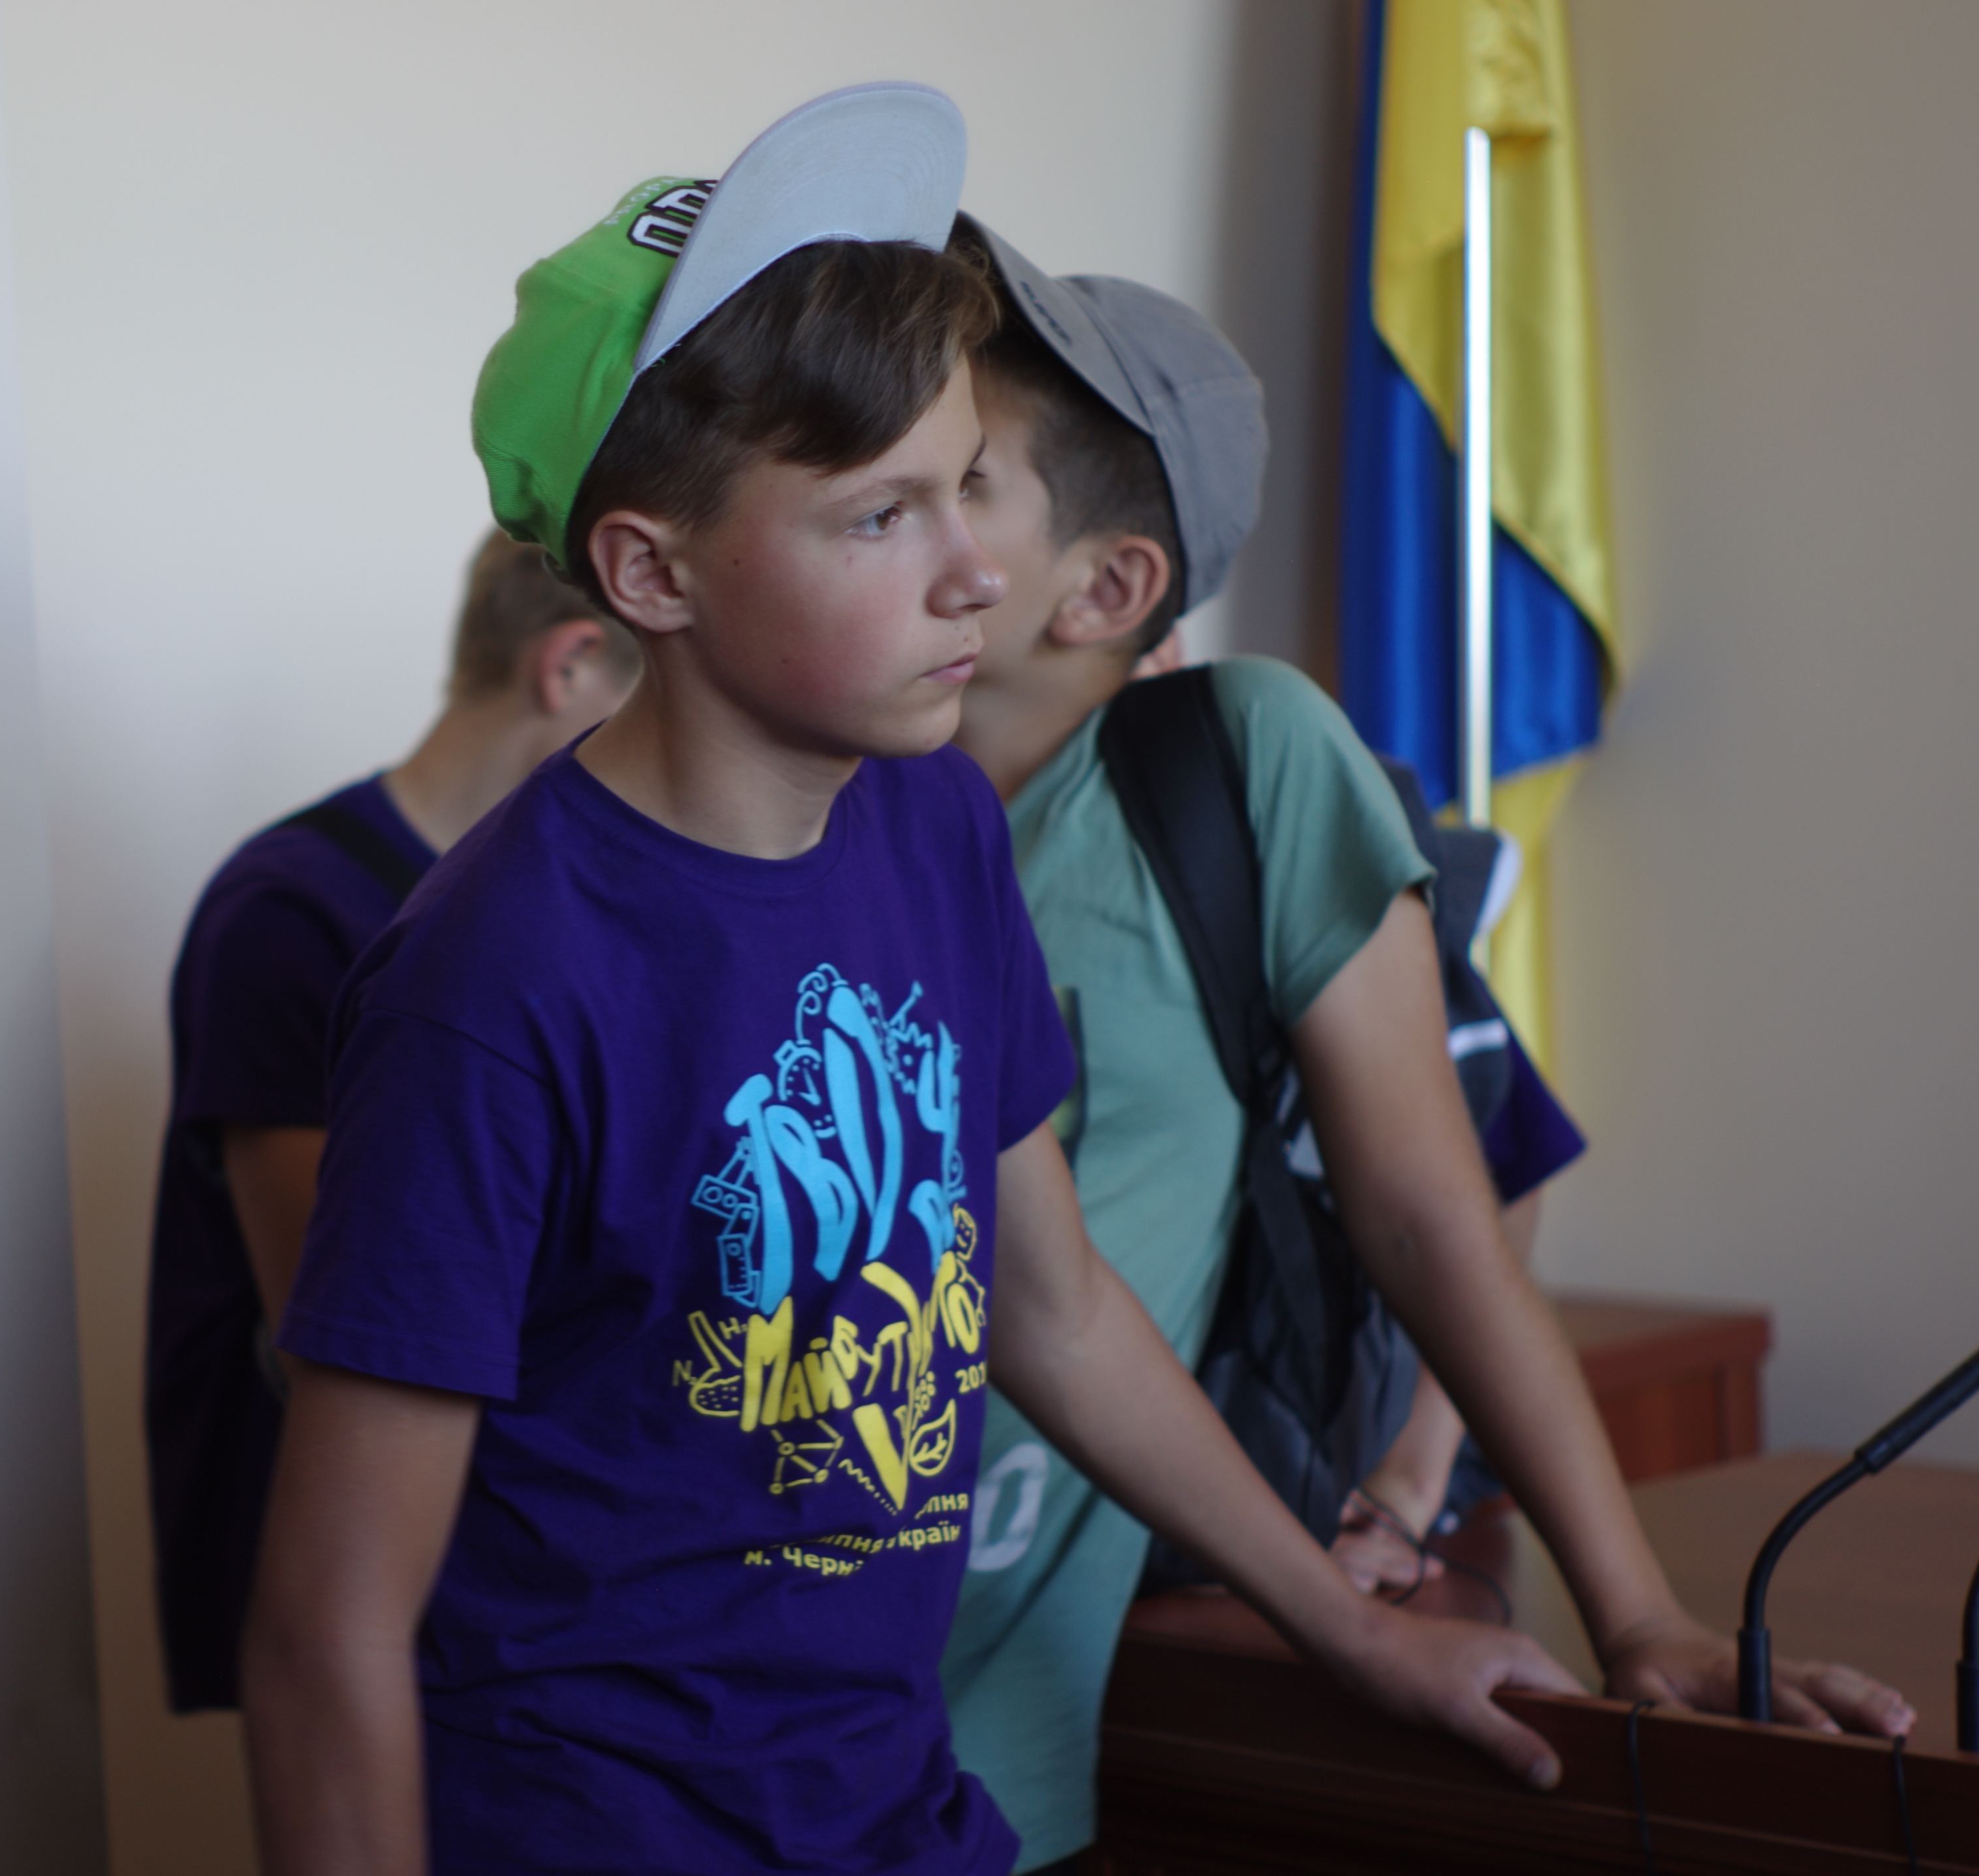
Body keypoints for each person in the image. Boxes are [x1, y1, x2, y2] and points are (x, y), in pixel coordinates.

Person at [240, 84, 1590, 1876]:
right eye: (879, 518)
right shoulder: (491, 982)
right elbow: (326, 1630)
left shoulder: (930, 823)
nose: (974, 569)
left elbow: (1056, 1308)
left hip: (898, 1816)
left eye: (964, 481)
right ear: (650, 571)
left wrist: (1349, 1628)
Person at [935, 215, 1913, 1872]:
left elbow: (1426, 1216)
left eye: (961, 477)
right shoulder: (821, 791)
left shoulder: (1237, 760)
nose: (894, 502)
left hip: (989, 1729)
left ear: (1105, 589)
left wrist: (1635, 1615)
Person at [145, 530, 634, 1713]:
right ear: (569, 665)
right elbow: (334, 1316)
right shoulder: (291, 914)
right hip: (370, 1580)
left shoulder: (565, 911)